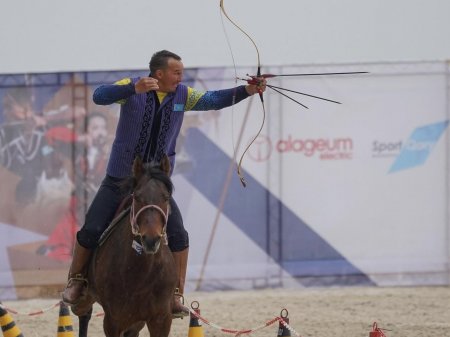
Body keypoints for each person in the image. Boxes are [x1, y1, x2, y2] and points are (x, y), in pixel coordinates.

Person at [61, 50, 267, 318]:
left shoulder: (183, 95)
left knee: (179, 235)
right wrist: (133, 89)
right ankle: (78, 280)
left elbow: (213, 100)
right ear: (159, 74)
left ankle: (175, 294)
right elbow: (99, 95)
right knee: (91, 229)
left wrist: (247, 91)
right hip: (121, 179)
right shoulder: (131, 86)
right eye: (177, 72)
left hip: (156, 184)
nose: (181, 77)